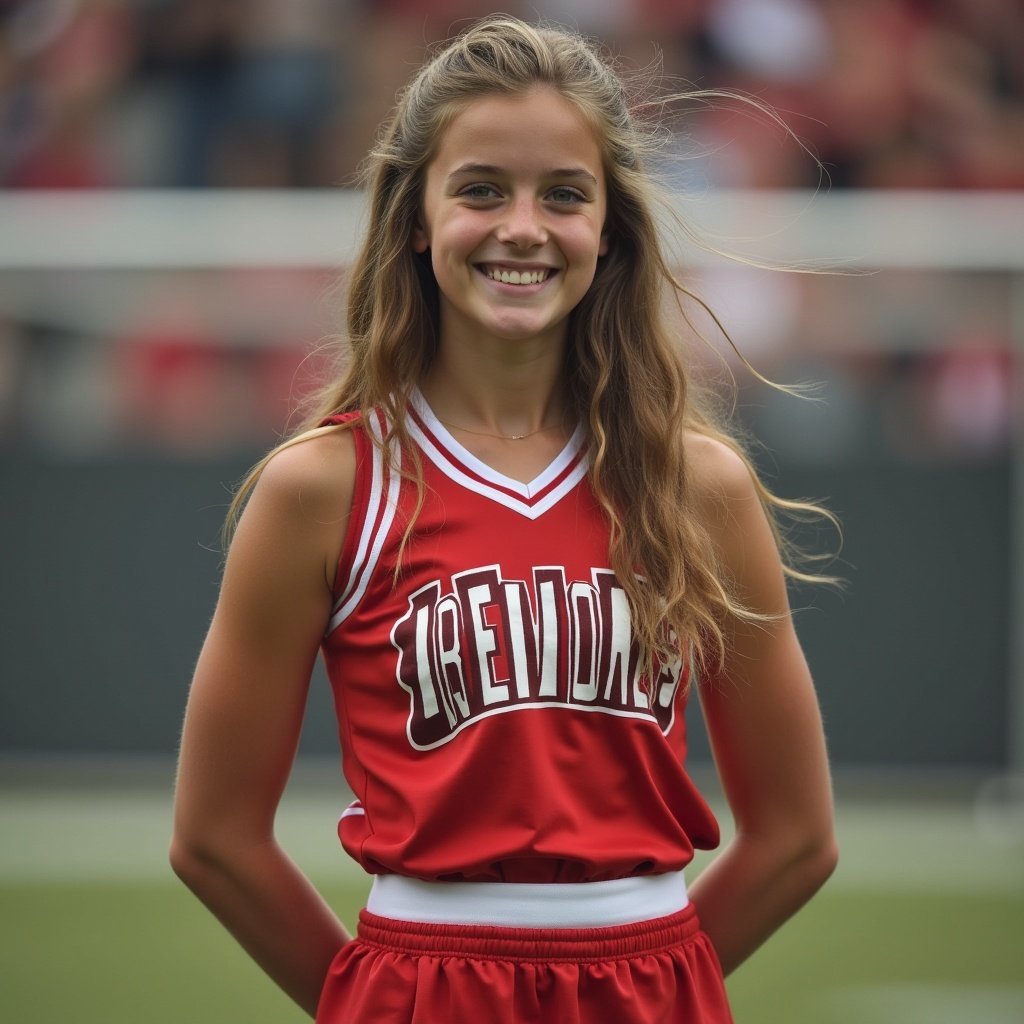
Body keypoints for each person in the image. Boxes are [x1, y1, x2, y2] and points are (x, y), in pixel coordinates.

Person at [170, 16, 838, 1023]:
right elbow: (212, 835)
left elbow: (797, 834)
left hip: (648, 983)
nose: (522, 227)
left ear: (608, 227)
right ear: (414, 215)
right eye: (481, 188)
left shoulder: (697, 483)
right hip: (419, 981)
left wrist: (662, 973)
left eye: (563, 195)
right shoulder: (327, 485)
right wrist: (368, 997)